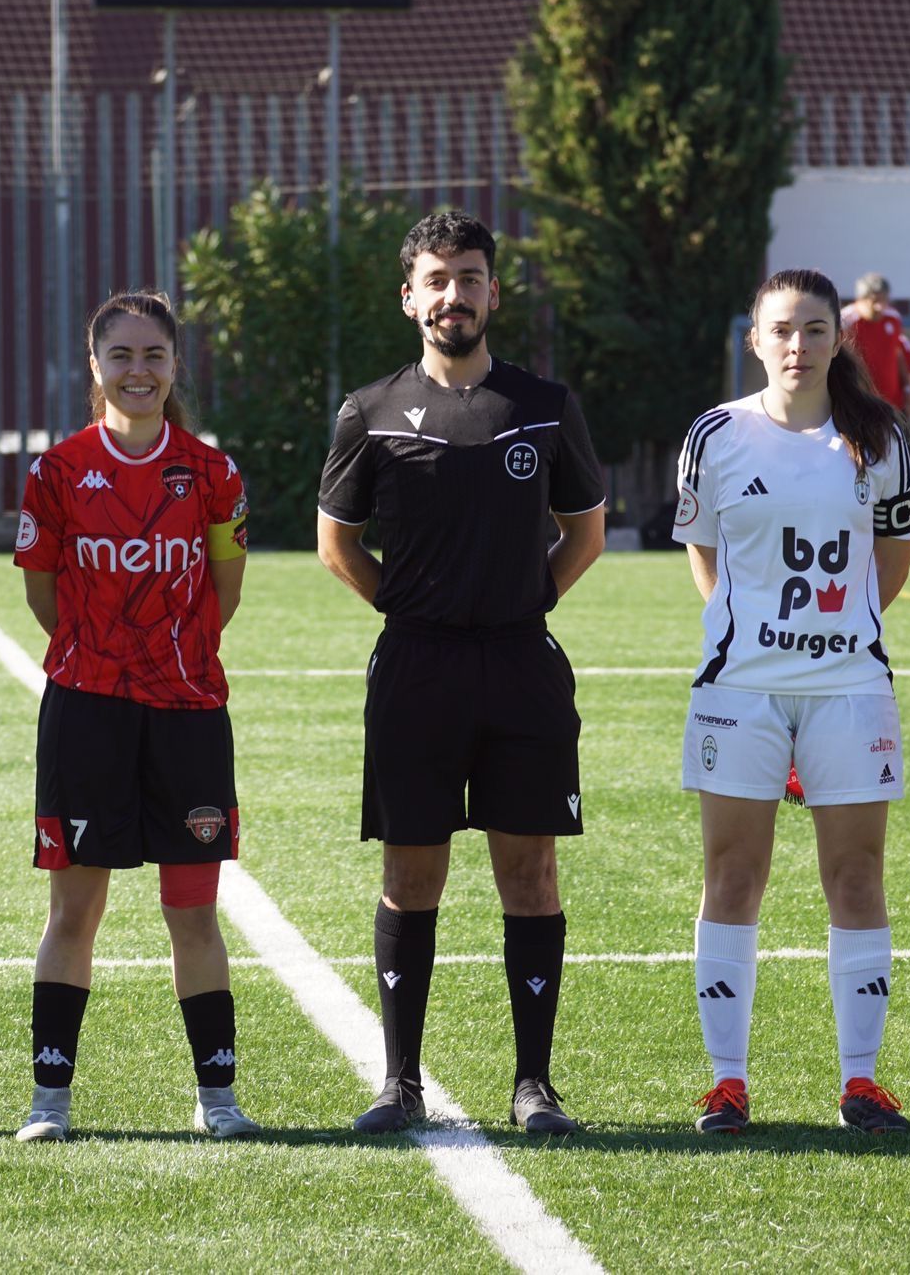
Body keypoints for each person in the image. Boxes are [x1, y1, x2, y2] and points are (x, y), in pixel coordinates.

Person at [317, 210, 606, 1136]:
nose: (455, 295)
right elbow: (338, 543)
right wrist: (413, 610)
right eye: (437, 280)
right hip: (416, 666)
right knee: (413, 875)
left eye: (470, 277)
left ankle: (535, 1085)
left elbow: (585, 532)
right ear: (410, 297)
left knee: (531, 874)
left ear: (492, 291)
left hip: (521, 665)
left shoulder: (544, 405)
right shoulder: (369, 410)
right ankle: (400, 1083)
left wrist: (524, 604)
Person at [673, 268, 910, 1135]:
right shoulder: (716, 436)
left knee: (856, 877)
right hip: (740, 690)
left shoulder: (879, 439)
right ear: (755, 339)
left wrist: (835, 635)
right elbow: (706, 556)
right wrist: (751, 636)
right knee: (732, 875)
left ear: (838, 338)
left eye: (815, 330)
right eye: (781, 330)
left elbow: (890, 561)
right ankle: (728, 1083)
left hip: (849, 689)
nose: (798, 346)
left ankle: (860, 1083)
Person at [8, 291, 257, 1143]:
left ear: (175, 366)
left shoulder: (214, 474)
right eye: (122, 356)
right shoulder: (55, 472)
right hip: (87, 713)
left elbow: (224, 595)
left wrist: (168, 657)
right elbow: (42, 593)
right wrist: (105, 657)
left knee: (192, 911)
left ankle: (218, 1100)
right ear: (95, 367)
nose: (138, 371)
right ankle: (50, 1100)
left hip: (188, 713)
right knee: (73, 914)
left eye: (155, 356)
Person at [842, 274, 910, 442]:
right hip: (861, 408)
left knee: (909, 459)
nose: (879, 307)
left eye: (884, 300)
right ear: (860, 300)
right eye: (874, 301)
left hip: (893, 407)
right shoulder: (846, 322)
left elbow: (904, 365)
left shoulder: (893, 319)